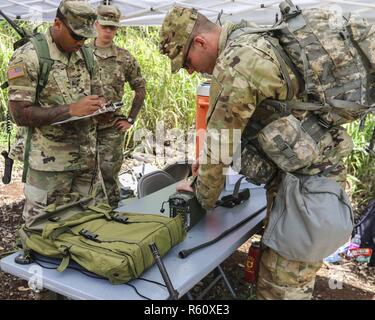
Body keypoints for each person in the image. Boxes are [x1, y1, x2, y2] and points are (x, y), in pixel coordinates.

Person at [159, 6, 355, 300]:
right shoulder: (252, 36)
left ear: (200, 42)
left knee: (280, 288)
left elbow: (219, 144)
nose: (191, 70)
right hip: (312, 180)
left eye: (187, 61)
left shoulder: (237, 63)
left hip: (307, 192)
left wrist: (197, 196)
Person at [6, 0, 107, 230]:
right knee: (42, 232)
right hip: (50, 169)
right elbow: (19, 114)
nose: (81, 42)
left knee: (90, 226)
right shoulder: (29, 56)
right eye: (76, 36)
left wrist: (101, 109)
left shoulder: (87, 55)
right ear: (57, 24)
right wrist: (70, 110)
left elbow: (97, 96)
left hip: (87, 163)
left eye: (85, 37)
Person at [91, 4, 146, 207]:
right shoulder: (82, 54)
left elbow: (140, 87)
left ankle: (112, 214)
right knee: (82, 175)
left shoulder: (124, 58)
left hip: (111, 128)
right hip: (84, 126)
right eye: (104, 26)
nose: (107, 31)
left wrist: (130, 119)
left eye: (112, 27)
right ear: (96, 25)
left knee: (108, 174)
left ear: (116, 29)